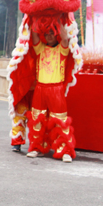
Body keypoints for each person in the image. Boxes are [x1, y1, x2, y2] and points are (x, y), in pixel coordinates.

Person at [26, 17, 76, 163]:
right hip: (40, 88)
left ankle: (65, 151)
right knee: (37, 119)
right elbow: (34, 35)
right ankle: (37, 148)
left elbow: (65, 38)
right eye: (47, 34)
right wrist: (34, 17)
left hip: (56, 89)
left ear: (56, 34)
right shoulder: (40, 48)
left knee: (60, 120)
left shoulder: (62, 49)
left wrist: (58, 18)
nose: (49, 36)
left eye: (52, 34)